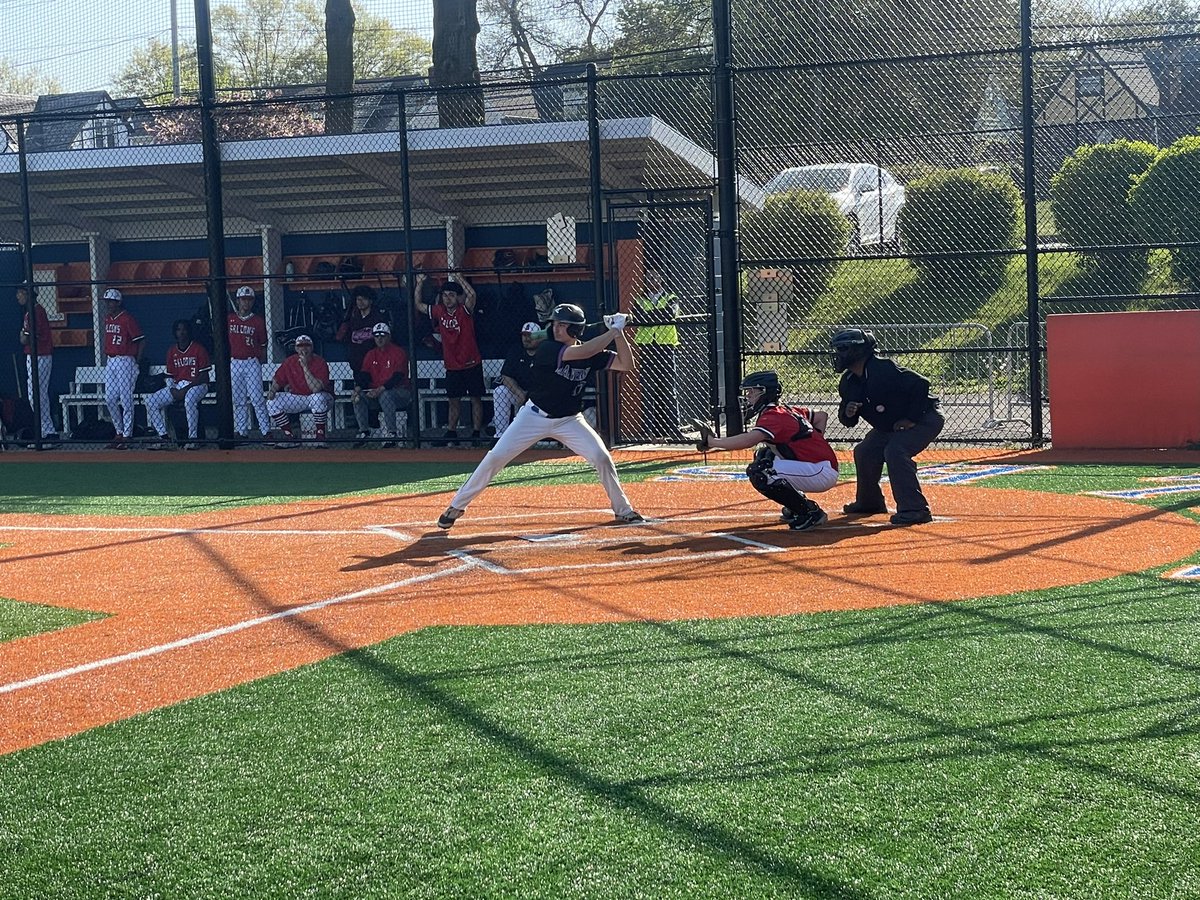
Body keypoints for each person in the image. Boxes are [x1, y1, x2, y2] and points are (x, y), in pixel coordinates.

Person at [437, 304, 643, 530]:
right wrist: (612, 331)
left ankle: (623, 510)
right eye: (554, 323)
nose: (555, 328)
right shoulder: (549, 349)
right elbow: (582, 353)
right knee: (495, 457)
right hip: (533, 416)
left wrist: (620, 333)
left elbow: (626, 364)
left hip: (569, 420)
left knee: (601, 457)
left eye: (562, 325)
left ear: (575, 330)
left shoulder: (593, 353)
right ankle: (456, 506)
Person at [695, 371, 838, 531]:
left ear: (764, 392)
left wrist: (713, 442)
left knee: (761, 472)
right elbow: (821, 416)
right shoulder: (784, 410)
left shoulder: (774, 416)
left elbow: (749, 440)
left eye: (751, 391)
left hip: (820, 471)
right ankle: (798, 504)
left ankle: (809, 512)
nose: (748, 396)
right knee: (764, 454)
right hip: (819, 466)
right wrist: (814, 443)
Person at [833, 328, 945, 526]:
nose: (838, 354)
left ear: (859, 350)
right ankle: (870, 502)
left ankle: (915, 509)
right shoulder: (849, 381)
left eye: (842, 349)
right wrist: (848, 413)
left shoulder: (883, 368)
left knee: (896, 450)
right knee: (865, 451)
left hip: (925, 418)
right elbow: (847, 420)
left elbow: (921, 384)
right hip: (891, 425)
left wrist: (911, 418)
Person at [414, 273, 484, 445]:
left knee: (475, 397)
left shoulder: (464, 310)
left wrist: (458, 277)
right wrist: (420, 284)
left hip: (471, 362)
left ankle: (476, 432)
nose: (448, 298)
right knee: (453, 399)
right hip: (452, 365)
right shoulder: (439, 311)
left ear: (458, 297)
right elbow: (419, 305)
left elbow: (472, 295)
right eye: (445, 295)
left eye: (451, 295)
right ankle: (452, 432)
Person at [630, 267, 681, 440]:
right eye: (648, 277)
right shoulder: (639, 299)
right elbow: (639, 318)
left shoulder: (671, 297)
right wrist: (656, 316)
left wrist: (649, 317)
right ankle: (647, 432)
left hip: (665, 347)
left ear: (660, 279)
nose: (651, 280)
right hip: (647, 347)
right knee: (648, 389)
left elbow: (670, 314)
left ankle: (674, 429)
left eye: (654, 276)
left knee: (669, 388)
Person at [145, 319, 212, 450]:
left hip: (199, 385)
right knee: (151, 401)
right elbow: (170, 376)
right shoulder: (172, 351)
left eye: (184, 329)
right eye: (178, 330)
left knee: (189, 399)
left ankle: (193, 439)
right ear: (175, 332)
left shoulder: (198, 349)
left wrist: (186, 389)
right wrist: (172, 389)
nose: (181, 332)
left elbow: (204, 376)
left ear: (189, 331)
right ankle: (164, 437)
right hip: (178, 386)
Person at [266, 334, 333, 449]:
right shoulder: (290, 361)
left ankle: (320, 436)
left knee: (318, 397)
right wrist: (272, 390)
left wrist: (305, 367)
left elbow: (315, 388)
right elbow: (278, 379)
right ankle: (290, 436)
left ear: (312, 347)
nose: (304, 349)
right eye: (300, 346)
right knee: (272, 403)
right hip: (299, 397)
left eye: (307, 345)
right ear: (296, 348)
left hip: (323, 398)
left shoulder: (320, 362)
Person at [352, 322, 411, 448]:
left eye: (382, 335)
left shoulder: (398, 352)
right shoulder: (371, 354)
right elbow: (364, 375)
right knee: (359, 397)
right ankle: (364, 432)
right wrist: (357, 388)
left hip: (399, 392)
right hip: (376, 392)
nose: (379, 338)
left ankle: (392, 433)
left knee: (386, 395)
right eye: (376, 336)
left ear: (389, 336)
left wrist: (379, 390)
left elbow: (397, 377)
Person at [101, 288, 144, 449]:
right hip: (111, 360)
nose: (108, 304)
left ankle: (127, 435)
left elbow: (141, 340)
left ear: (119, 302)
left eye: (111, 301)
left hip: (125, 360)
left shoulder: (127, 319)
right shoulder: (108, 319)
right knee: (110, 398)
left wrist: (136, 362)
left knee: (126, 399)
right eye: (107, 301)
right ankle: (118, 432)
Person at [227, 285, 270, 440]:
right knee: (238, 399)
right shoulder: (230, 319)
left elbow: (263, 344)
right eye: (243, 300)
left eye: (249, 300)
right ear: (238, 301)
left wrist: (259, 361)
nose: (246, 303)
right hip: (235, 362)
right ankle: (242, 431)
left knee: (257, 397)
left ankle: (266, 431)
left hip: (252, 362)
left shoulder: (258, 321)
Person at [490, 321, 545, 440]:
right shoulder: (516, 351)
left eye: (530, 335)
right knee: (500, 391)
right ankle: (501, 436)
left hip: (540, 396)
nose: (526, 339)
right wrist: (519, 393)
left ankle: (546, 437)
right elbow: (506, 376)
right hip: (519, 393)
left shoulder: (546, 352)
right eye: (524, 335)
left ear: (540, 337)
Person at [17, 285, 57, 441]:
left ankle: (47, 430)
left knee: (35, 395)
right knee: (39, 395)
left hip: (39, 356)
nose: (18, 296)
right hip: (39, 356)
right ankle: (46, 431)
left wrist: (23, 334)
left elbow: (24, 339)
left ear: (28, 293)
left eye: (20, 293)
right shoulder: (34, 311)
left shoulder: (34, 312)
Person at [337, 284, 389, 375]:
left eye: (364, 299)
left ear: (371, 301)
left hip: (374, 360)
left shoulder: (378, 317)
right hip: (356, 360)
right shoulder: (352, 317)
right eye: (358, 299)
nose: (360, 302)